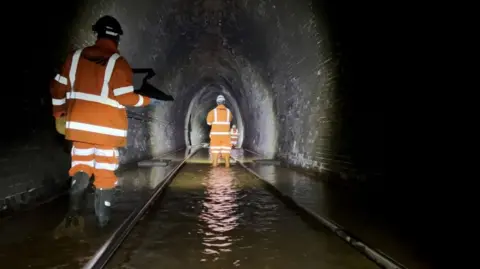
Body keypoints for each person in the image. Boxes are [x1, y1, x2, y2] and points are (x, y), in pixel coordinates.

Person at [51, 15, 162, 228]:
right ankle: (103, 225)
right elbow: (125, 97)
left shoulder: (74, 58)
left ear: (97, 34)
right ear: (117, 38)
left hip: (79, 131)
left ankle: (73, 215)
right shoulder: (118, 63)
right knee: (104, 174)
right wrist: (149, 100)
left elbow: (57, 88)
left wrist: (59, 113)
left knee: (80, 167)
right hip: (107, 132)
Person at [206, 95, 233, 167]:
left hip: (215, 138)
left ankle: (214, 174)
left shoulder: (212, 112)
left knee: (215, 159)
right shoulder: (229, 112)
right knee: (227, 159)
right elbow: (230, 120)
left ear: (217, 103)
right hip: (226, 137)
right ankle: (228, 174)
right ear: (224, 102)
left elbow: (208, 123)